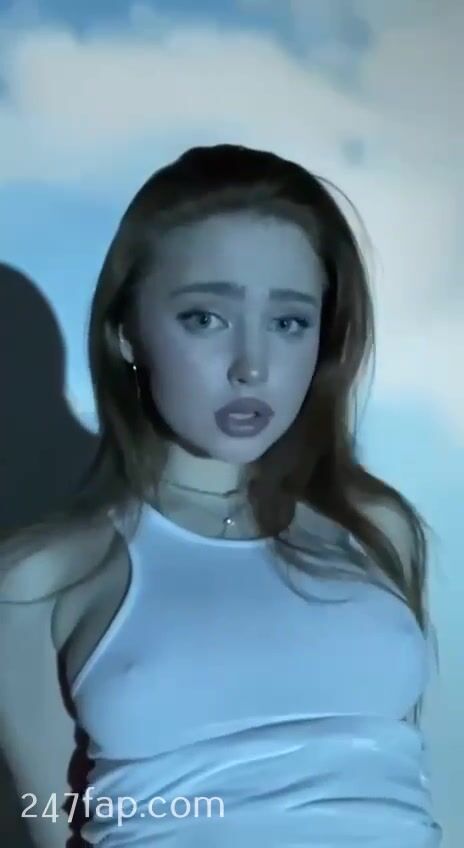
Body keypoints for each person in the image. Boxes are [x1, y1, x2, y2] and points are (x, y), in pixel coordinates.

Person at [0, 143, 442, 847]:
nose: (252, 367)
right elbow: (51, 824)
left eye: (289, 322)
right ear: (126, 331)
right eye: (206, 318)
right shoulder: (41, 577)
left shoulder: (375, 529)